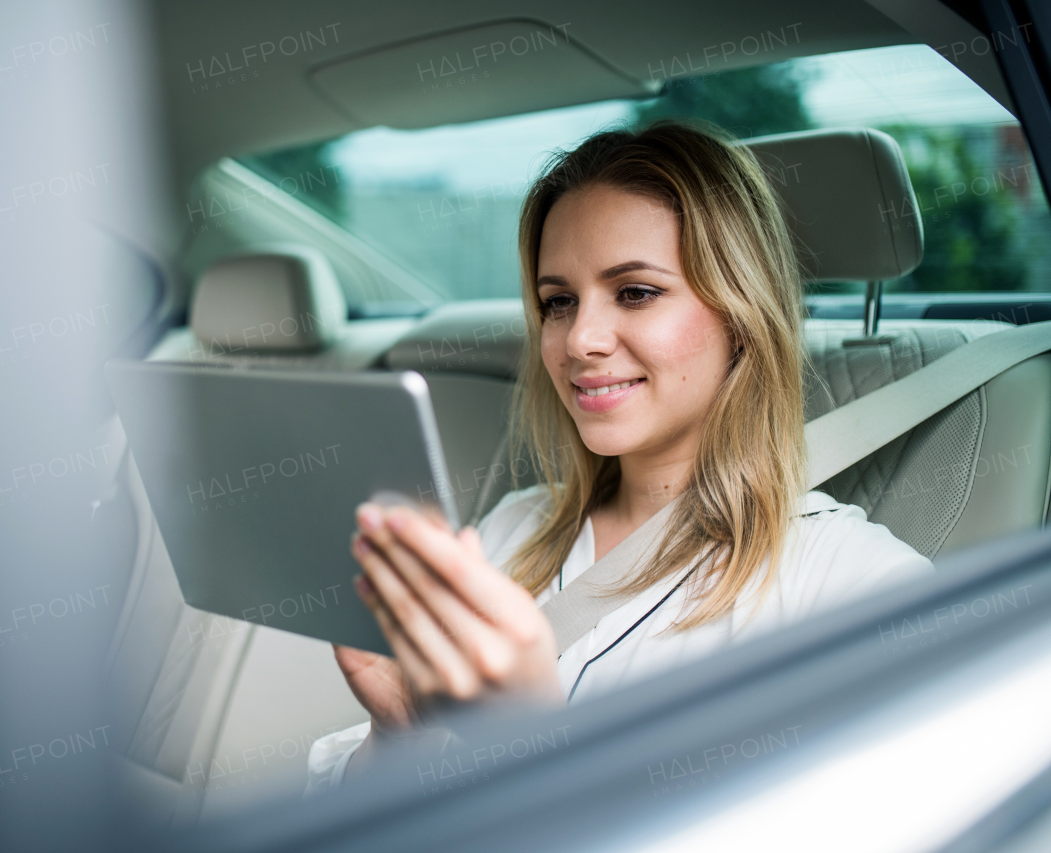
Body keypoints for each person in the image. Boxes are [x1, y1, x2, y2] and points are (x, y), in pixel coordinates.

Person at [305, 119, 933, 793]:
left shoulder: (856, 583)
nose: (580, 338)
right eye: (558, 302)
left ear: (743, 311)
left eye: (635, 291)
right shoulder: (513, 529)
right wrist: (402, 740)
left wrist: (533, 739)